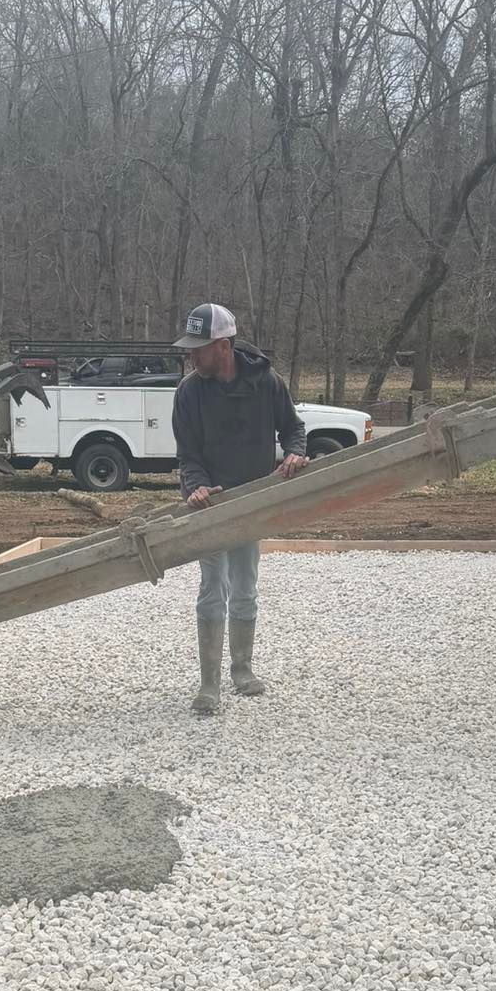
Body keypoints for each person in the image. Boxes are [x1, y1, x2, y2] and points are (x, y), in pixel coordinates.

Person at [171, 302, 307, 716]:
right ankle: (209, 683)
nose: (191, 356)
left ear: (224, 347)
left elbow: (293, 428)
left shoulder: (266, 383)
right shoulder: (189, 392)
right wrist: (195, 489)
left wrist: (295, 454)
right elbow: (188, 455)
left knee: (245, 588)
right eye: (190, 349)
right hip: (210, 505)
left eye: (199, 348)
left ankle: (242, 670)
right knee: (213, 589)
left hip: (252, 502)